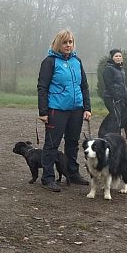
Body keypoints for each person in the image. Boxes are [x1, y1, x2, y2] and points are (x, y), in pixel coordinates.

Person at [37, 29, 92, 192]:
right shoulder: (49, 62)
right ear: (58, 44)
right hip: (57, 110)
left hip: (76, 109)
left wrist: (87, 107)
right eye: (65, 42)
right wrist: (43, 111)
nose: (68, 45)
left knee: (72, 143)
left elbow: (84, 86)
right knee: (52, 144)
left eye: (70, 42)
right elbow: (42, 87)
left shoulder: (77, 61)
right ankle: (48, 178)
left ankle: (72, 173)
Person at [98, 48, 127, 139]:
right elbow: (108, 85)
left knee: (117, 117)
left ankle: (109, 135)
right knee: (115, 117)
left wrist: (125, 94)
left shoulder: (121, 69)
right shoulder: (109, 69)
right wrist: (116, 95)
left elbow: (122, 84)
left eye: (120, 56)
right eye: (116, 56)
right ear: (112, 58)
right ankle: (114, 137)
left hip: (120, 97)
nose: (118, 58)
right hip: (110, 97)